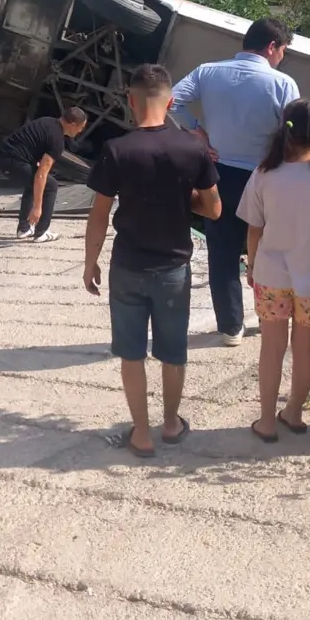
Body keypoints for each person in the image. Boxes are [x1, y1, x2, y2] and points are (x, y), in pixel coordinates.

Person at [84, 65, 221, 454]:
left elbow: (98, 215)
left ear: (130, 100)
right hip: (174, 267)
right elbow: (214, 210)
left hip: (127, 264)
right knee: (173, 350)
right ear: (171, 100)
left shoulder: (117, 149)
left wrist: (90, 261)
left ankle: (140, 433)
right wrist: (184, 198)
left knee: (131, 353)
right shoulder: (193, 148)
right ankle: (172, 424)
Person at [171, 17, 299, 346]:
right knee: (274, 250)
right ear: (272, 46)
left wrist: (195, 130)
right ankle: (275, 317)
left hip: (219, 173)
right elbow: (294, 134)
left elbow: (171, 98)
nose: (282, 57)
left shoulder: (208, 72)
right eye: (283, 50)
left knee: (223, 252)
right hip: (265, 176)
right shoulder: (283, 84)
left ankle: (231, 326)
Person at [237, 98, 310, 443]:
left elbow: (254, 229)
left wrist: (252, 263)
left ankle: (266, 422)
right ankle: (294, 412)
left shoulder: (264, 174)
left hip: (271, 276)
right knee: (305, 350)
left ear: (285, 130)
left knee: (271, 349)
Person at [0, 106, 88, 244]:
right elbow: (41, 174)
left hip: (2, 154)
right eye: (81, 127)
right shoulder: (57, 141)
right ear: (73, 124)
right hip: (12, 161)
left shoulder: (47, 121)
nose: (80, 131)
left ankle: (24, 229)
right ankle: (41, 231)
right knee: (51, 185)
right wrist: (37, 207)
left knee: (31, 182)